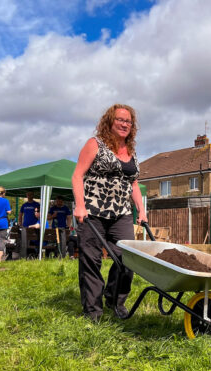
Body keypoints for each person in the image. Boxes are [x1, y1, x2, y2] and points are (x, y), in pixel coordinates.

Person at [72, 103, 147, 322]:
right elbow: (77, 176)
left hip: (121, 213)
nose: (125, 124)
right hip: (92, 211)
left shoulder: (131, 151)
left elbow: (133, 184)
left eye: (128, 121)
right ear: (110, 122)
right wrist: (79, 205)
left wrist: (141, 210)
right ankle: (93, 311)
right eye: (120, 120)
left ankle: (115, 300)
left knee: (128, 258)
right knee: (91, 260)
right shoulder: (95, 144)